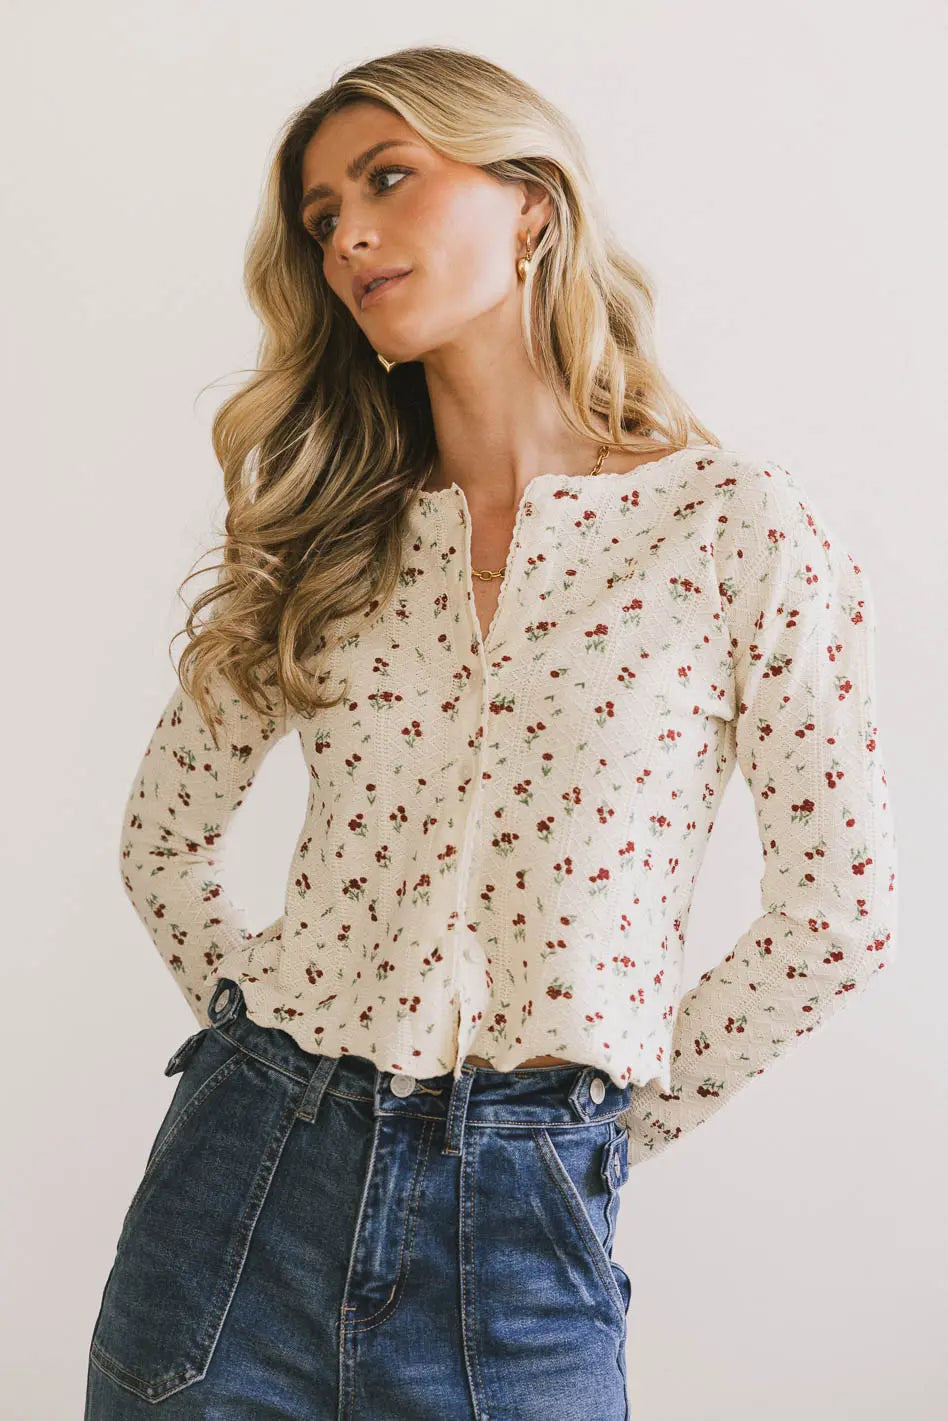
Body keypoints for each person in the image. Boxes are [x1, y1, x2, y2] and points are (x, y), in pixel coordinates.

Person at [84, 44, 899, 1421]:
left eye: (387, 179)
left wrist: (591, 1129)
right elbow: (163, 842)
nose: (347, 235)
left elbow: (843, 911)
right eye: (322, 216)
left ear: (531, 201)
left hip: (520, 1250)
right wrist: (262, 1048)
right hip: (237, 1209)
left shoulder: (731, 528)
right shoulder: (331, 538)